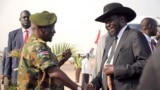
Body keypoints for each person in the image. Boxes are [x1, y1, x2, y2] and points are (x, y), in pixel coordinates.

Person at [85, 2, 151, 90]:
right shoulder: (109, 41)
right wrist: (93, 84)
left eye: (110, 20)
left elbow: (146, 64)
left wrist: (116, 70)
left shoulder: (134, 35)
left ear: (122, 19)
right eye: (105, 22)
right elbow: (103, 71)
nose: (107, 25)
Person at [17, 11, 81, 90]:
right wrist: (78, 88)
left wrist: (62, 60)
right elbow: (54, 73)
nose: (54, 31)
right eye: (51, 28)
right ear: (40, 30)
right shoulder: (37, 47)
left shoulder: (38, 44)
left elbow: (45, 70)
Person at [4, 10, 31, 87]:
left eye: (28, 17)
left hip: (33, 78)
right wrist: (6, 76)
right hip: (16, 76)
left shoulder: (36, 34)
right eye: (24, 17)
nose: (26, 19)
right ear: (20, 19)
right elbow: (9, 56)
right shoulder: (12, 35)